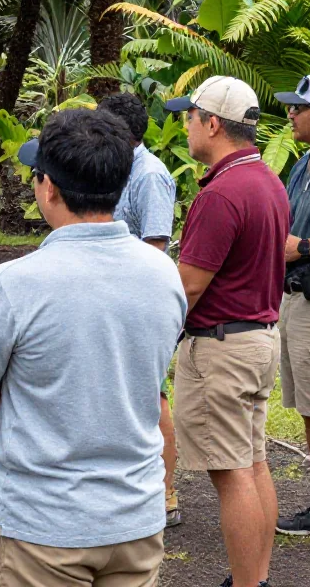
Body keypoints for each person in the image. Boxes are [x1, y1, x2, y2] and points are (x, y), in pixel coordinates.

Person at [0, 108, 186, 587]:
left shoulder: (16, 283)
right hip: (136, 520)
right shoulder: (164, 274)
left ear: (48, 188)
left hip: (43, 525)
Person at [164, 76, 289, 587]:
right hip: (259, 335)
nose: (185, 124)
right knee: (253, 464)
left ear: (212, 124)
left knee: (232, 474)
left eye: (190, 116)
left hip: (222, 343)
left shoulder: (222, 193)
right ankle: (254, 578)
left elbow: (188, 287)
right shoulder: (267, 180)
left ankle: (247, 583)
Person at [98, 92, 182, 527]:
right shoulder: (113, 169)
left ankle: (166, 493)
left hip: (138, 296)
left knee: (154, 395)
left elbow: (156, 246)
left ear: (121, 135)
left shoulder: (151, 175)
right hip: (106, 297)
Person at [274, 72, 310, 536]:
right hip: (296, 297)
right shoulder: (302, 165)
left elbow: (299, 239)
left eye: (300, 107)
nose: (291, 113)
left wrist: (306, 248)